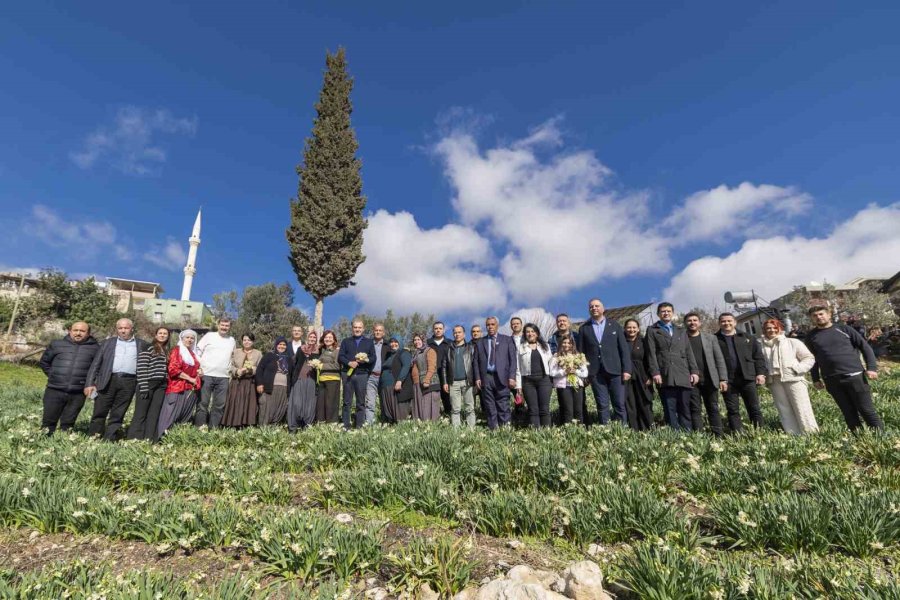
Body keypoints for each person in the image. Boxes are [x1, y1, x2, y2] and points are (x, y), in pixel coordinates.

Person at [805, 305, 883, 431]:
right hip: (831, 379)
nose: (818, 317)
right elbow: (812, 358)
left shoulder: (844, 329)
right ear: (812, 319)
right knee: (849, 414)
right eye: (815, 316)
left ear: (829, 315)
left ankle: (881, 440)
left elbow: (865, 347)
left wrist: (872, 368)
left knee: (866, 411)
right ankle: (860, 443)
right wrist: (815, 378)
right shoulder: (811, 337)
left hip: (854, 375)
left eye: (821, 314)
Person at [84, 318, 149, 441]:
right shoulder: (107, 343)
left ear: (132, 328)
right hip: (108, 380)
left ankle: (110, 438)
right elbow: (96, 364)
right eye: (120, 328)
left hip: (129, 382)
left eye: (126, 328)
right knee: (99, 411)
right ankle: (94, 437)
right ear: (117, 329)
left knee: (118, 412)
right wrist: (89, 383)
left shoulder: (142, 344)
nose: (123, 331)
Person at [577, 299, 632, 425]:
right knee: (602, 404)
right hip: (595, 373)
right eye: (591, 307)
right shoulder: (584, 329)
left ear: (603, 308)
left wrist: (627, 370)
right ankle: (605, 431)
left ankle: (622, 431)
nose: (594, 308)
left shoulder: (615, 325)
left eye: (597, 306)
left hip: (615, 371)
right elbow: (581, 354)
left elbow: (623, 349)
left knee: (619, 403)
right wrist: (584, 374)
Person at [39, 321, 99, 435]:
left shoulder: (96, 348)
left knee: (68, 423)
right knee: (48, 422)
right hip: (54, 389)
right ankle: (43, 443)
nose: (78, 333)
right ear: (70, 331)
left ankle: (63, 445)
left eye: (82, 331)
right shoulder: (57, 344)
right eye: (75, 330)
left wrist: (90, 383)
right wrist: (53, 376)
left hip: (78, 392)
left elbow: (98, 369)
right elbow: (44, 362)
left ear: (88, 333)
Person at [645, 303, 699, 431]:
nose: (666, 313)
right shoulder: (652, 330)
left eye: (669, 311)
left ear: (673, 313)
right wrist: (655, 372)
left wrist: (694, 371)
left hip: (682, 373)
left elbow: (688, 352)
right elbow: (651, 353)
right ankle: (675, 436)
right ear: (658, 314)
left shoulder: (681, 331)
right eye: (663, 311)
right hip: (665, 374)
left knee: (685, 407)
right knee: (670, 408)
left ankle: (687, 434)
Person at [759, 318, 818, 434]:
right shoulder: (760, 345)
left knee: (802, 407)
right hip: (774, 381)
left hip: (793, 379)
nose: (771, 330)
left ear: (780, 328)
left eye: (774, 328)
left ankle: (811, 434)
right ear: (764, 330)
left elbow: (809, 358)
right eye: (768, 328)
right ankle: (793, 435)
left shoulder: (792, 342)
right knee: (784, 409)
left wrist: (797, 369)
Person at [716, 313, 767, 433]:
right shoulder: (715, 339)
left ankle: (759, 433)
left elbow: (758, 357)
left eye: (729, 321)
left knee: (754, 407)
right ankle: (738, 434)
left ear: (734, 322)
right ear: (719, 323)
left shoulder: (747, 337)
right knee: (733, 410)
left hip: (747, 378)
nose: (726, 323)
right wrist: (720, 379)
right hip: (728, 380)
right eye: (723, 321)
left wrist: (760, 373)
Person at [684, 313, 727, 436]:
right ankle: (699, 437)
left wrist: (723, 378)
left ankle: (718, 435)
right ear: (685, 323)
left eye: (695, 320)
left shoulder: (710, 338)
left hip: (710, 379)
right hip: (691, 380)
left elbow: (719, 359)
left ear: (699, 322)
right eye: (689, 320)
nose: (692, 322)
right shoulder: (681, 339)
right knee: (695, 409)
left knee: (713, 408)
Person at [472, 316, 518, 430]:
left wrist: (512, 377)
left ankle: (506, 430)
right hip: (486, 378)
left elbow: (513, 360)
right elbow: (475, 362)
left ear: (497, 325)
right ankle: (494, 430)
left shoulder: (507, 340)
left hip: (502, 378)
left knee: (503, 406)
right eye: (488, 325)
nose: (490, 327)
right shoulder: (480, 342)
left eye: (492, 324)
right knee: (489, 406)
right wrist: (477, 377)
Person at [157, 329, 201, 438]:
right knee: (170, 415)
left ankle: (175, 440)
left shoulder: (193, 354)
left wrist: (200, 372)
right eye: (187, 337)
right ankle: (161, 438)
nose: (190, 340)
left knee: (184, 416)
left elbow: (196, 368)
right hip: (177, 388)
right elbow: (173, 370)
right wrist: (190, 379)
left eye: (192, 338)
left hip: (190, 390)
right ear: (182, 338)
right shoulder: (177, 351)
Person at [128, 326, 170, 440]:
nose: (162, 335)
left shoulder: (166, 351)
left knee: (154, 413)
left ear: (168, 336)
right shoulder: (148, 347)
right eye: (160, 333)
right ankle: (134, 438)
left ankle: (150, 438)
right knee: (140, 413)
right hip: (148, 383)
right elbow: (142, 367)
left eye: (165, 334)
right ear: (156, 335)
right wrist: (144, 386)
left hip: (161, 386)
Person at [194, 318, 236, 429]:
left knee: (219, 405)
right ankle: (200, 428)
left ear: (229, 327)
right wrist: (199, 367)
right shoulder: (209, 336)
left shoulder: (232, 340)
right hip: (206, 375)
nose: (224, 327)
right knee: (203, 403)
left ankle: (213, 429)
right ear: (218, 325)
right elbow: (197, 352)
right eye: (222, 325)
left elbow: (232, 357)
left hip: (224, 377)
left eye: (227, 326)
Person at [338, 320, 377, 428]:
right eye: (355, 327)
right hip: (347, 374)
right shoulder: (346, 341)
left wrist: (366, 360)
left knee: (360, 402)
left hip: (362, 375)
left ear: (363, 329)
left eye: (359, 327)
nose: (357, 329)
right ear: (352, 328)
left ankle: (359, 426)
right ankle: (346, 426)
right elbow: (340, 357)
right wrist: (349, 362)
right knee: (347, 402)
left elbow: (373, 357)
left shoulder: (369, 342)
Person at [514, 324, 554, 428]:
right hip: (528, 382)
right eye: (527, 332)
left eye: (532, 331)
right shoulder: (520, 348)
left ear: (537, 333)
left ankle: (547, 432)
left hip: (544, 380)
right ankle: (535, 433)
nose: (530, 333)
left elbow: (551, 362)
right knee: (533, 409)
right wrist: (519, 386)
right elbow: (518, 368)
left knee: (544, 408)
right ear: (524, 334)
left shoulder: (545, 346)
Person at [221, 333, 262, 428]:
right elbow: (230, 365)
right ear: (242, 341)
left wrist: (252, 369)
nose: (247, 342)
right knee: (235, 402)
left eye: (249, 340)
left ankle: (246, 424)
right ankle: (232, 423)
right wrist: (237, 371)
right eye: (245, 340)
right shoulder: (236, 352)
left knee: (248, 403)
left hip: (249, 383)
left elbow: (260, 368)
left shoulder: (258, 353)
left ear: (253, 341)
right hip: (237, 382)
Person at [442, 325, 476, 427]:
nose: (457, 334)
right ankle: (456, 432)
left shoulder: (470, 348)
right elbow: (444, 367)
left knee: (469, 407)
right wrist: (445, 382)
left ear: (464, 334)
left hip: (467, 381)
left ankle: (471, 430)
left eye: (459, 332)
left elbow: (475, 365)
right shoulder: (449, 348)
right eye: (455, 332)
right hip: (453, 382)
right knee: (455, 408)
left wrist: (475, 380)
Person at [622, 319, 654, 431]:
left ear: (638, 329)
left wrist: (650, 376)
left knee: (645, 403)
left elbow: (650, 359)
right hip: (627, 377)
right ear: (625, 329)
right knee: (630, 404)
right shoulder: (621, 341)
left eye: (634, 327)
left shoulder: (644, 342)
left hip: (643, 377)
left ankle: (648, 429)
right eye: (629, 327)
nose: (631, 330)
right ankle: (634, 430)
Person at [549, 336, 588, 425]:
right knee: (568, 411)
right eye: (564, 343)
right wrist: (564, 372)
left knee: (579, 410)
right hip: (564, 386)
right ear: (560, 344)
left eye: (569, 343)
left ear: (572, 344)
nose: (566, 345)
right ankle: (569, 431)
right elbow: (552, 372)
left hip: (577, 385)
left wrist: (576, 371)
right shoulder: (556, 357)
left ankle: (579, 431)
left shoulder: (579, 356)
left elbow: (585, 373)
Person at [256, 338, 292, 425]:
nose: (282, 346)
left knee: (279, 408)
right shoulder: (269, 355)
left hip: (284, 388)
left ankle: (274, 429)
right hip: (270, 387)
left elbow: (291, 373)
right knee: (266, 408)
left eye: (284, 345)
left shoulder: (289, 359)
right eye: (280, 344)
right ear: (276, 345)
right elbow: (260, 369)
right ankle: (263, 428)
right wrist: (259, 383)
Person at [287, 330, 317, 432]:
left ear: (316, 339)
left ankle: (307, 427)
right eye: (310, 337)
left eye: (314, 337)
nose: (312, 339)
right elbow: (294, 363)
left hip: (311, 380)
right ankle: (293, 427)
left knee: (309, 404)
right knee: (296, 403)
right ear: (307, 338)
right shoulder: (301, 349)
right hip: (299, 379)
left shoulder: (318, 350)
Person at [381, 337, 413, 423]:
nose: (393, 344)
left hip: (396, 385)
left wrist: (400, 380)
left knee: (399, 409)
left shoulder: (404, 352)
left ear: (400, 342)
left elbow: (406, 366)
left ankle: (402, 427)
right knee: (389, 409)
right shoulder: (389, 355)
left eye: (396, 342)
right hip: (386, 386)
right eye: (391, 342)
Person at [411, 333, 441, 421]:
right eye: (415, 340)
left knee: (429, 405)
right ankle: (422, 425)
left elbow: (432, 367)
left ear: (423, 340)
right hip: (418, 382)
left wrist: (427, 380)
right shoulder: (415, 353)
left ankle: (431, 426)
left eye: (418, 340)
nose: (416, 342)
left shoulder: (429, 350)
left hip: (429, 382)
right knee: (421, 405)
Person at [316, 330, 342, 423]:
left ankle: (332, 425)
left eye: (330, 337)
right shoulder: (322, 351)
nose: (328, 339)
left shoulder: (337, 351)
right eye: (326, 337)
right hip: (322, 380)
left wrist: (322, 366)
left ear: (334, 340)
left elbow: (337, 366)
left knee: (331, 404)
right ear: (323, 339)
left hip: (333, 380)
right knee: (321, 404)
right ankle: (321, 424)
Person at [428, 321, 452, 414]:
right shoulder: (427, 343)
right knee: (433, 397)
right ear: (433, 330)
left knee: (447, 397)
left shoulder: (450, 343)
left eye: (440, 328)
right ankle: (435, 417)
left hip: (446, 375)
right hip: (432, 374)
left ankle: (448, 416)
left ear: (444, 330)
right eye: (436, 328)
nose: (438, 330)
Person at [369, 324, 389, 424]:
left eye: (380, 330)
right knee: (370, 403)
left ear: (383, 333)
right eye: (376, 330)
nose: (378, 332)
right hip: (371, 377)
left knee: (384, 402)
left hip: (384, 377)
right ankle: (369, 425)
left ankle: (385, 423)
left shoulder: (388, 345)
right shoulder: (368, 344)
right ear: (373, 331)